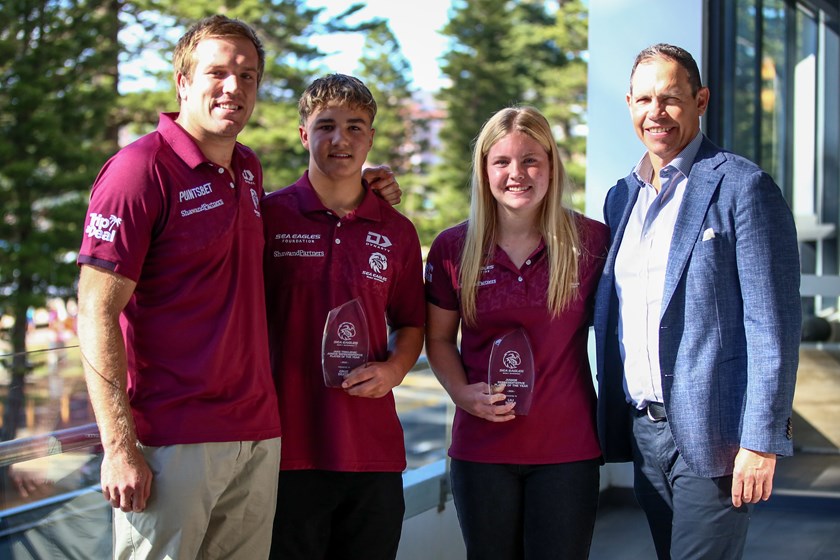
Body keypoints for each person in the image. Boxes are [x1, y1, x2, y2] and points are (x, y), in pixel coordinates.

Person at [593, 43, 801, 559]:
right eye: (643, 100)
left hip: (718, 436)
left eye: (670, 98)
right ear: (629, 105)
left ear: (700, 99)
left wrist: (762, 440)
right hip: (646, 433)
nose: (655, 113)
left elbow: (772, 326)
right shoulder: (622, 197)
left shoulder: (742, 187)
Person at [425, 106, 609, 559]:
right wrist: (462, 394)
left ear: (550, 165)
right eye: (502, 162)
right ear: (484, 169)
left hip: (568, 449)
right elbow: (439, 339)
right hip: (481, 450)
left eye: (531, 160)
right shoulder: (454, 247)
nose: (517, 174)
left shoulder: (591, 243)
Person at [263, 73, 425, 560]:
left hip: (371, 452)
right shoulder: (268, 218)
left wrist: (395, 369)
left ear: (371, 138)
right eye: (326, 125)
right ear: (303, 134)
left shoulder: (397, 231)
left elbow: (411, 323)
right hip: (285, 451)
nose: (341, 139)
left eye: (356, 127)